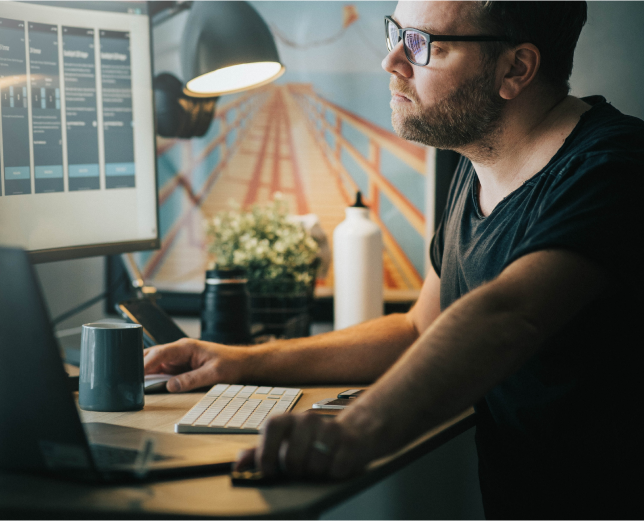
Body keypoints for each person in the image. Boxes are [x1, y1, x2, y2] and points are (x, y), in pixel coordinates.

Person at [144, 0, 642, 517]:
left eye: (424, 44)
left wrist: (356, 431)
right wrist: (238, 362)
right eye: (396, 33)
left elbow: (509, 314)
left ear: (515, 69)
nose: (392, 61)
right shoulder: (477, 171)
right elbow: (418, 329)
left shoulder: (615, 167)